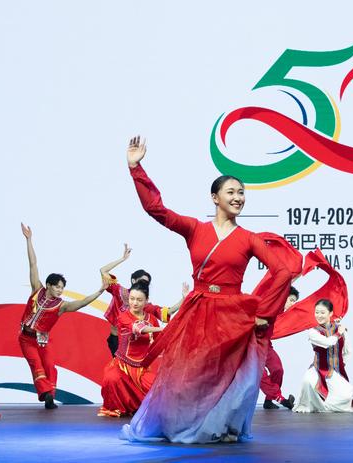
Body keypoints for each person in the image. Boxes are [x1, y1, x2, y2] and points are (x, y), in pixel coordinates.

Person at [120, 136, 300, 444]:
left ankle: (221, 426)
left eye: (242, 192)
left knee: (231, 377)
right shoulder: (195, 229)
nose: (238, 197)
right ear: (214, 197)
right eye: (231, 191)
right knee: (188, 374)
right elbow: (156, 209)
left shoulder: (249, 238)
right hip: (199, 310)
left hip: (232, 313)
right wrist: (136, 168)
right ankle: (180, 423)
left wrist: (264, 314)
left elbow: (284, 270)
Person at [18, 223, 106, 409]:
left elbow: (81, 303)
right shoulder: (36, 290)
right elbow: (33, 263)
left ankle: (49, 395)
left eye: (62, 287)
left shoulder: (61, 306)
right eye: (57, 286)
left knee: (50, 367)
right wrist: (29, 240)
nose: (60, 290)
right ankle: (46, 395)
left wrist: (99, 291)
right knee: (37, 366)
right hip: (26, 338)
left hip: (42, 340)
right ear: (49, 285)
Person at [98, 243, 186, 356]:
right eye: (142, 281)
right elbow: (103, 271)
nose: (145, 284)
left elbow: (168, 312)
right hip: (116, 340)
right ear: (133, 281)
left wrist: (183, 299)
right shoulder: (120, 291)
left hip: (132, 345)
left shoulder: (145, 305)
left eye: (147, 283)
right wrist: (122, 259)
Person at [98, 282, 165, 417]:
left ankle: (139, 407)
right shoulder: (123, 317)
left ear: (146, 301)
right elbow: (139, 329)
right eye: (132, 299)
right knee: (111, 379)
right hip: (122, 366)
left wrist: (184, 300)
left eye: (139, 300)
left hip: (141, 369)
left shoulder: (151, 318)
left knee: (158, 390)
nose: (134, 303)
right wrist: (162, 328)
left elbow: (160, 339)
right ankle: (118, 407)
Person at [293, 299, 353, 413]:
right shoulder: (313, 332)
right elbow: (327, 343)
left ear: (330, 313)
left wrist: (340, 364)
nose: (319, 315)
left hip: (335, 370)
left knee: (346, 396)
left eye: (322, 312)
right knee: (307, 382)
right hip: (318, 368)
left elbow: (347, 350)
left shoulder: (340, 329)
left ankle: (325, 406)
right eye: (317, 312)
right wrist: (338, 333)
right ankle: (317, 406)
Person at [260, 287, 298, 410]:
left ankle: (269, 400)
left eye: (295, 301)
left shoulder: (285, 313)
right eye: (291, 300)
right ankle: (280, 399)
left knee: (278, 370)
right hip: (249, 345)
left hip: (265, 344)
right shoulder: (271, 305)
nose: (293, 303)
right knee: (260, 374)